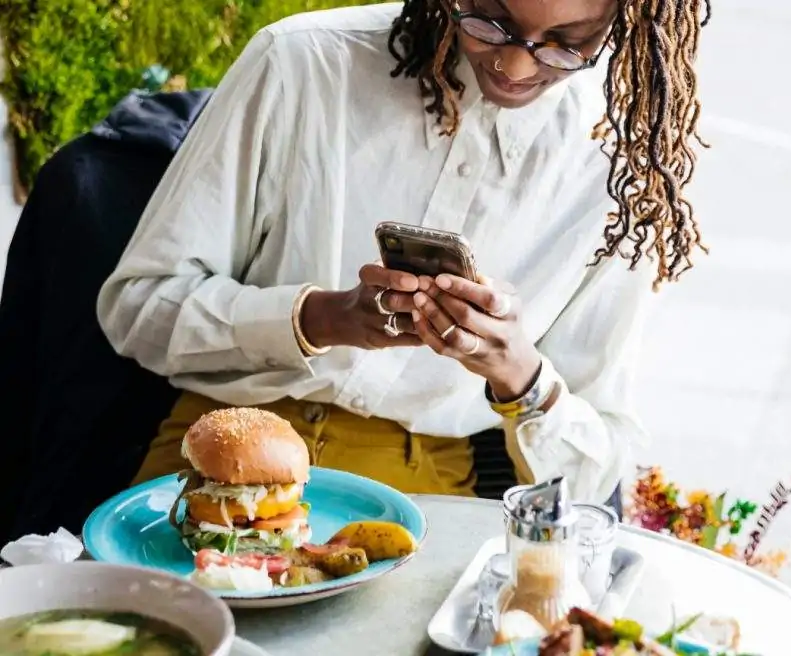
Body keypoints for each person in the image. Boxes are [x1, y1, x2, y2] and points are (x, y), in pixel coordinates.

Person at [97, 0, 711, 503]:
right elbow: (138, 307)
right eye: (489, 20)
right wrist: (321, 318)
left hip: (424, 489)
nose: (518, 66)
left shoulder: (621, 167)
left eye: (567, 44)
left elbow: (595, 474)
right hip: (219, 439)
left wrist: (516, 371)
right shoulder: (303, 65)